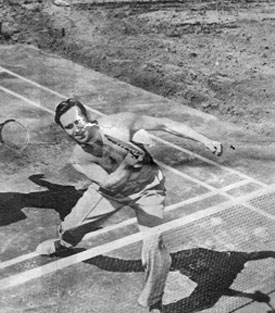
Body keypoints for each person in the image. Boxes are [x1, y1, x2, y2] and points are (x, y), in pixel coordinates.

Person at [36, 98, 223, 312]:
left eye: (78, 122)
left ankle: (153, 303)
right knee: (72, 224)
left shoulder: (120, 123)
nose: (76, 129)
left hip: (148, 190)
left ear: (88, 118)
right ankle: (64, 243)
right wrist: (127, 164)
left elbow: (165, 124)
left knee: (154, 246)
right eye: (69, 127)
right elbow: (107, 182)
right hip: (109, 191)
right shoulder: (79, 157)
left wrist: (205, 140)